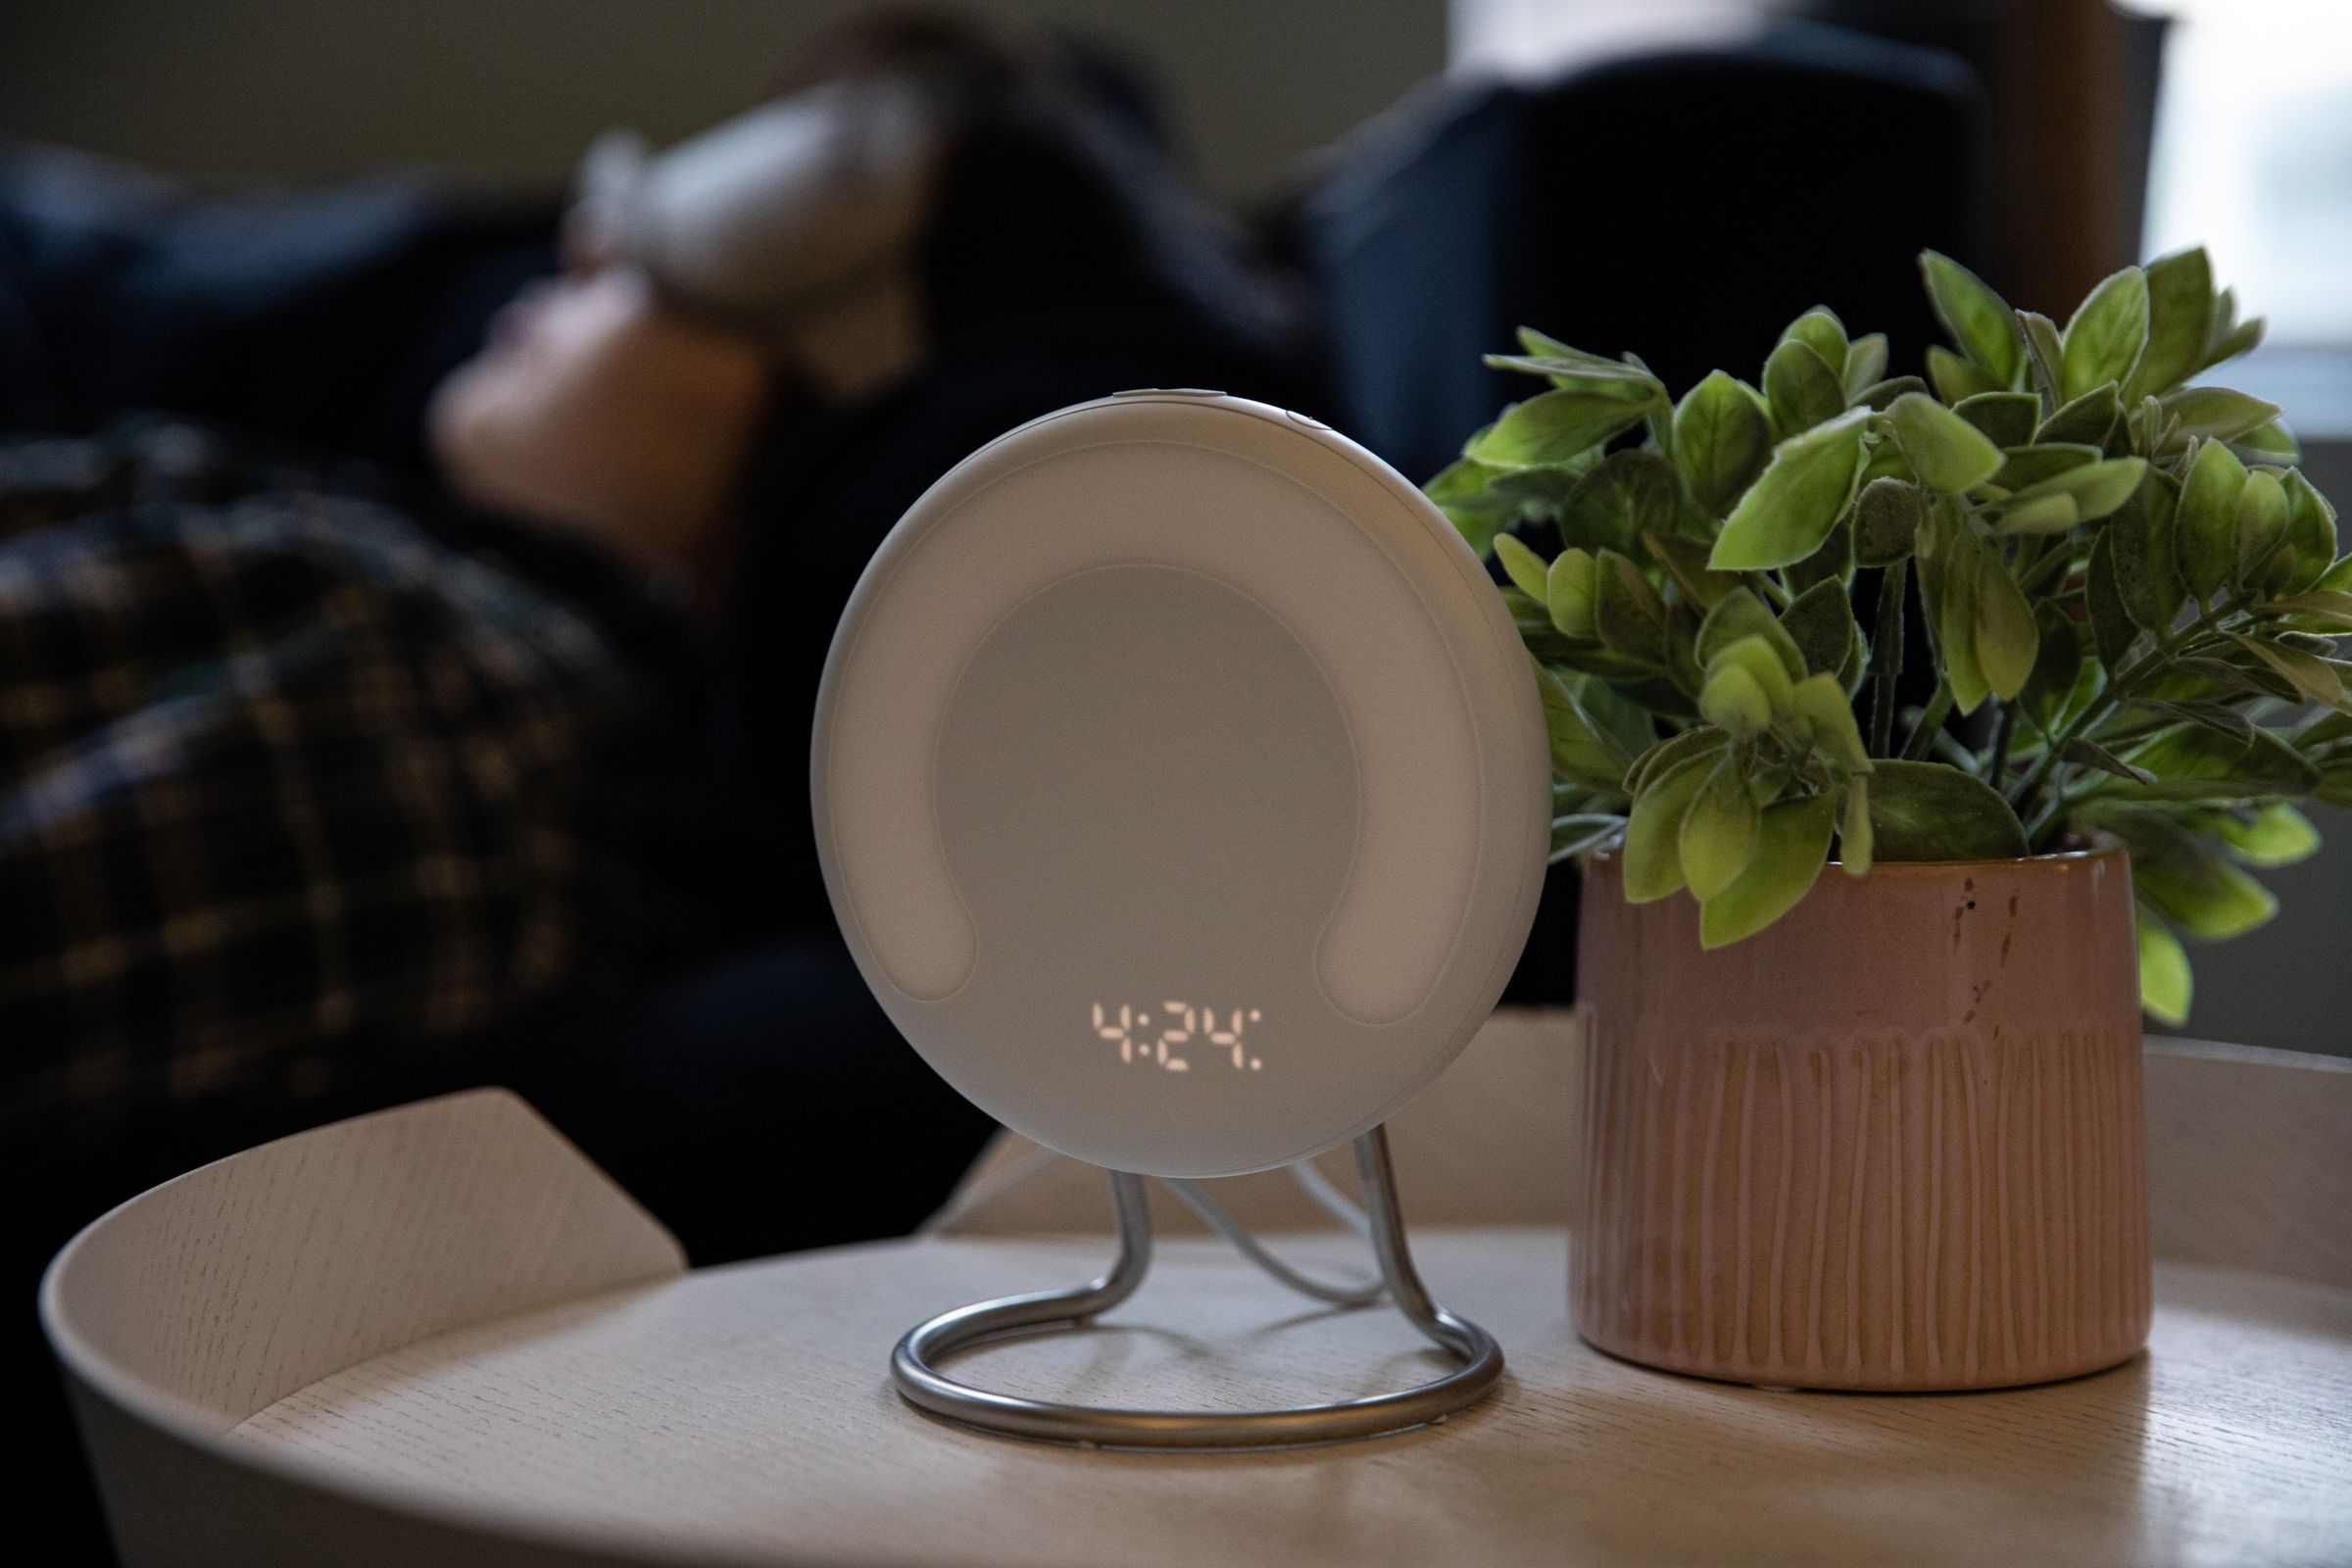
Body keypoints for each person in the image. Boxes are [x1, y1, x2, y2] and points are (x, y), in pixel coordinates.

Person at [0, 14, 1315, 1553]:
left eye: (625, 275)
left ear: (816, 387)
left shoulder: (440, 708)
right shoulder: (403, 579)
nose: (557, 269)